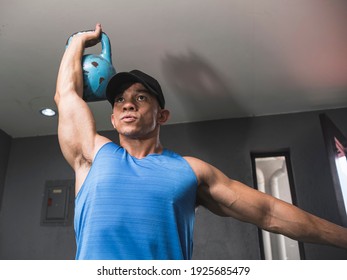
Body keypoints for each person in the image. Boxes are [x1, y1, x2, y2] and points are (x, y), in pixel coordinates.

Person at [55, 23, 347, 260]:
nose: (128, 105)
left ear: (163, 115)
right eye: (120, 101)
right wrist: (77, 42)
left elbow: (269, 213)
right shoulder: (94, 153)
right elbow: (66, 96)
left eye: (140, 97)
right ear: (113, 119)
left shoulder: (191, 171)